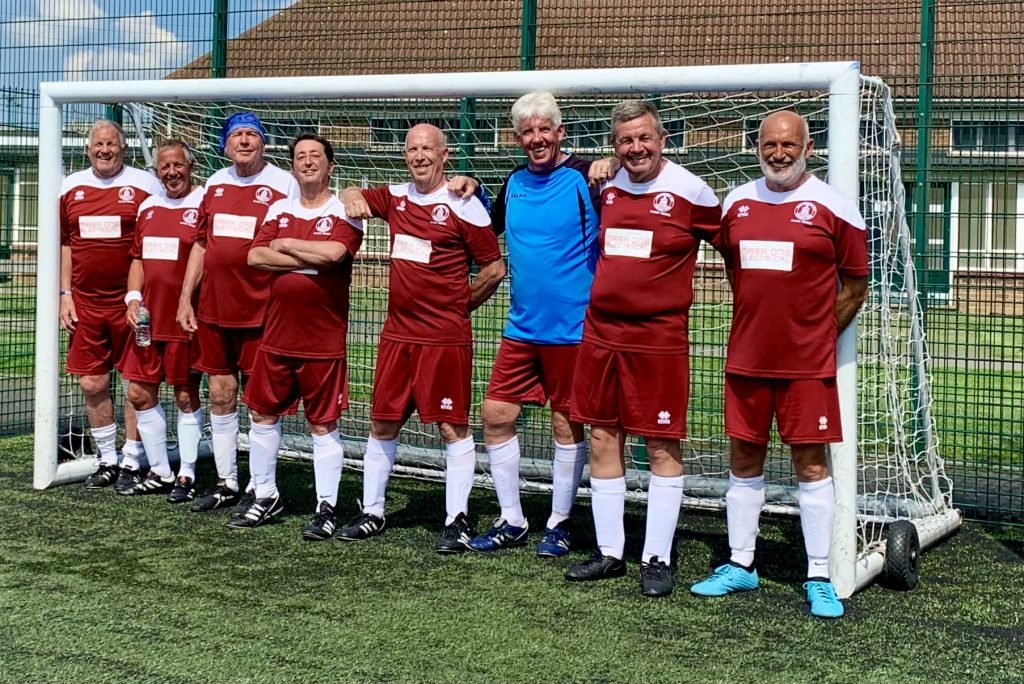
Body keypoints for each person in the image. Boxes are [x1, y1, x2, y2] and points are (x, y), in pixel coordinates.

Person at [689, 111, 869, 618]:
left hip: (807, 366)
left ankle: (818, 574)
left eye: (789, 145)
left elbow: (856, 285)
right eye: (770, 144)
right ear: (757, 147)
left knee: (810, 465)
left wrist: (813, 335)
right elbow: (735, 269)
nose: (779, 154)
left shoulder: (836, 208)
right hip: (746, 359)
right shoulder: (738, 202)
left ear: (808, 147)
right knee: (743, 462)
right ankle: (741, 565)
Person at [564, 100, 722, 598]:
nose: (637, 148)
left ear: (663, 139)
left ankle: (657, 556)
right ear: (614, 146)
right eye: (626, 140)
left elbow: (735, 249)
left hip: (658, 339)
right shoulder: (603, 185)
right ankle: (611, 552)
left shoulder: (692, 190)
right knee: (602, 437)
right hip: (601, 333)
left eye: (645, 138)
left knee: (660, 443)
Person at [339, 123, 505, 553]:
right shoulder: (394, 198)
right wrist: (352, 197)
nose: (419, 156)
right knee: (382, 421)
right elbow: (352, 193)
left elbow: (493, 269)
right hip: (397, 336)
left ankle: (457, 519)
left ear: (445, 155)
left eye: (427, 148)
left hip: (444, 339)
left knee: (452, 427)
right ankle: (372, 511)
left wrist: (458, 308)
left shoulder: (464, 206)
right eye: (412, 149)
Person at [465, 91, 611, 557]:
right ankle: (512, 519)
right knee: (495, 415)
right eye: (527, 131)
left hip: (573, 331)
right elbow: (486, 229)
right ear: (517, 138)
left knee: (566, 425)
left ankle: (561, 522)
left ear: (560, 132)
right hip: (521, 329)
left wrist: (613, 165)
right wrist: (469, 187)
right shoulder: (513, 182)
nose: (536, 138)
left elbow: (634, 189)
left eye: (544, 128)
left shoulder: (585, 177)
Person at [232, 133, 364, 536]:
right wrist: (308, 253)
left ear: (330, 166)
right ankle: (266, 495)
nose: (307, 162)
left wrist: (287, 243)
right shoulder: (278, 206)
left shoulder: (345, 209)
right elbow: (255, 255)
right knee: (262, 414)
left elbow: (336, 255)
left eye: (315, 156)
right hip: (276, 335)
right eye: (301, 157)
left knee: (322, 424)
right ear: (292, 166)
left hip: (322, 339)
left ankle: (326, 508)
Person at [176, 111, 299, 517]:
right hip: (214, 309)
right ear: (225, 145)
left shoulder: (283, 183)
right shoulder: (214, 183)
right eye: (237, 136)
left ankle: (264, 488)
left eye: (252, 135)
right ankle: (228, 481)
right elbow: (200, 245)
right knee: (221, 394)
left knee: (262, 402)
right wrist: (184, 299)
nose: (244, 141)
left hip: (264, 312)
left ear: (264, 143)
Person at [60, 119, 162, 492]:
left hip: (134, 303)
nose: (105, 150)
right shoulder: (71, 186)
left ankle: (134, 459)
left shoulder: (145, 185)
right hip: (85, 304)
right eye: (98, 144)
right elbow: (65, 244)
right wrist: (64, 294)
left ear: (124, 147)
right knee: (91, 381)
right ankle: (107, 459)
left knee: (137, 384)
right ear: (89, 149)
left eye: (112, 144)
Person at [121, 140, 204, 502]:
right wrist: (133, 297)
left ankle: (186, 474)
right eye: (164, 168)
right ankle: (158, 469)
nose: (171, 173)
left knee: (185, 394)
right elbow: (137, 258)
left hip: (184, 320)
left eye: (177, 165)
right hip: (146, 320)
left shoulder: (203, 203)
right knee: (138, 392)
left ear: (190, 166)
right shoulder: (149, 207)